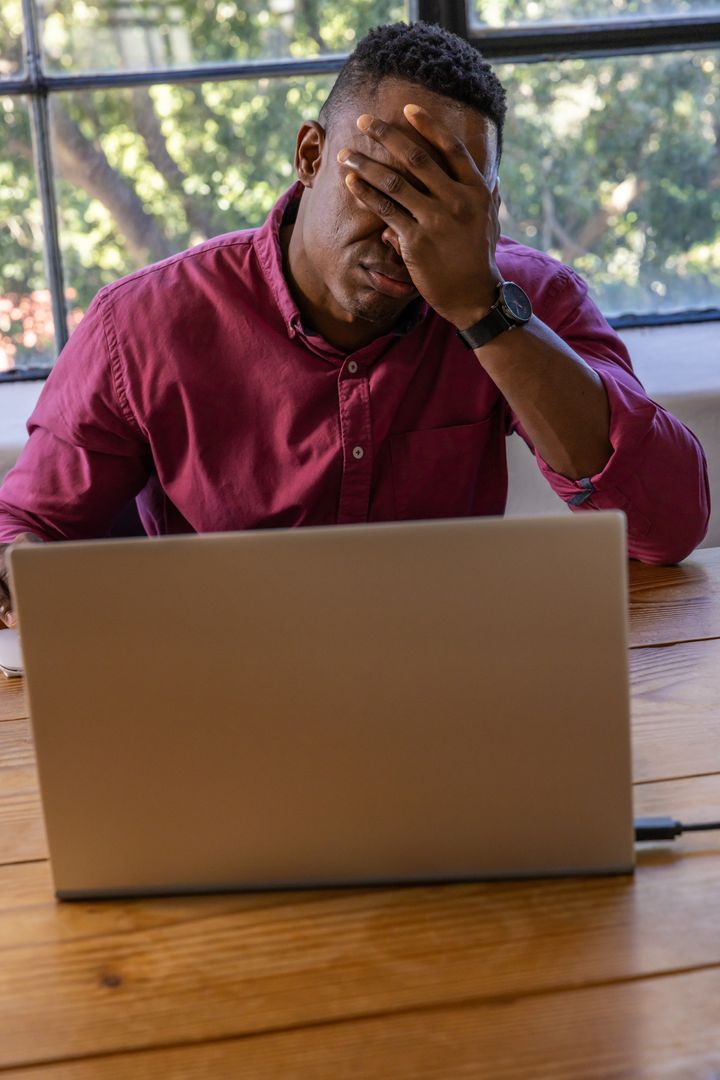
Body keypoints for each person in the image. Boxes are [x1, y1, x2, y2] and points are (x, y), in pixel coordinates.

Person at [0, 21, 710, 627]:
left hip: (447, 677)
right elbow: (26, 528)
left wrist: (481, 310)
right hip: (224, 683)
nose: (410, 234)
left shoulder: (520, 297)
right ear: (311, 155)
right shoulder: (142, 326)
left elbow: (667, 527)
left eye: (450, 202)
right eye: (387, 186)